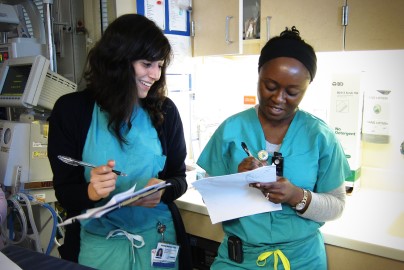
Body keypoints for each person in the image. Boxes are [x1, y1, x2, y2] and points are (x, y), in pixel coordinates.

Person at [197, 26, 351, 269]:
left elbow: (337, 206)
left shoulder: (320, 136)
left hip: (302, 260)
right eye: (270, 86)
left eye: (292, 92)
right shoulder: (230, 130)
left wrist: (297, 197)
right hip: (239, 260)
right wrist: (238, 181)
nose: (279, 98)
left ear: (306, 88)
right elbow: (211, 201)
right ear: (258, 75)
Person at [48, 14, 191, 270]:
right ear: (119, 61)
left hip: (157, 240)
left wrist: (164, 190)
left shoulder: (165, 112)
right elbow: (64, 191)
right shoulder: (71, 111)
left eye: (160, 65)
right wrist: (90, 192)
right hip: (97, 247)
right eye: (147, 64)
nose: (156, 75)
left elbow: (179, 178)